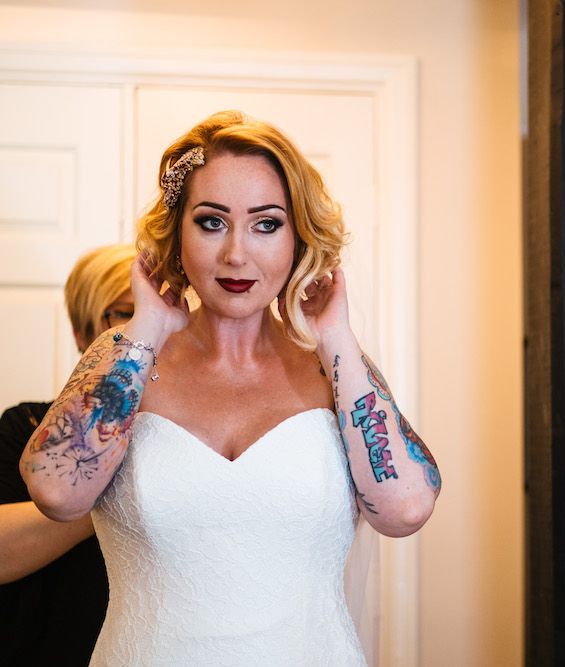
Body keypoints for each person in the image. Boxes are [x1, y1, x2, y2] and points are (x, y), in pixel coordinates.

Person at [20, 110, 441, 665]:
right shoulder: (123, 359)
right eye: (212, 222)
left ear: (299, 238)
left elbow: (406, 510)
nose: (236, 254)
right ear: (177, 233)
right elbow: (56, 495)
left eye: (266, 224)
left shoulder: (332, 369)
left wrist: (335, 335)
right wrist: (146, 327)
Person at [0, 243, 135, 666]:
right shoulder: (25, 429)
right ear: (82, 332)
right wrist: (111, 491)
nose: (146, 330)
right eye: (126, 312)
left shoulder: (200, 439)